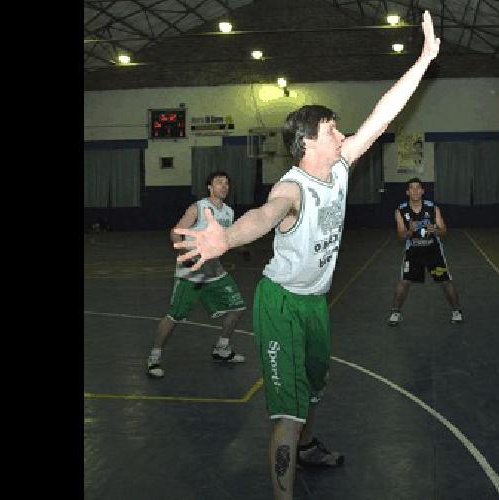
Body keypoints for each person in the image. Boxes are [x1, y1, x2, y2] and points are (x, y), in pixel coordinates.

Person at [171, 13, 441, 499]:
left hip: (316, 302)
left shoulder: (339, 165)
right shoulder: (292, 188)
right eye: (333, 129)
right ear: (307, 142)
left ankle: (310, 447)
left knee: (315, 388)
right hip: (280, 305)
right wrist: (226, 239)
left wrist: (423, 60)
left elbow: (384, 115)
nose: (342, 134)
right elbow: (264, 215)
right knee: (288, 415)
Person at [146, 171, 248, 379]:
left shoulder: (228, 212)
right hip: (191, 272)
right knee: (174, 315)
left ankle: (222, 348)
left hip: (214, 271)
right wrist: (185, 252)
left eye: (227, 183)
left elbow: (226, 239)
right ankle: (154, 358)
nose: (224, 186)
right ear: (209, 187)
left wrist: (242, 249)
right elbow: (176, 232)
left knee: (238, 308)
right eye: (219, 182)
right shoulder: (198, 208)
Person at [388, 178, 463, 325]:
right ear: (407, 192)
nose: (415, 191)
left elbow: (444, 231)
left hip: (433, 252)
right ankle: (395, 313)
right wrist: (410, 230)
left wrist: (435, 230)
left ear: (423, 191)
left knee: (445, 281)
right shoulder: (401, 210)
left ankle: (457, 311)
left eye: (418, 188)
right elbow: (400, 236)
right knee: (404, 282)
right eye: (412, 188)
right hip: (413, 252)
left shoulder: (433, 208)